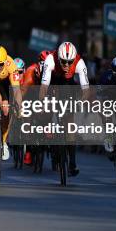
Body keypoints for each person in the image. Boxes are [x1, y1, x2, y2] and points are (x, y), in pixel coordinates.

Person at [39, 41, 90, 176]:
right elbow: (44, 87)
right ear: (58, 58)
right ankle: (48, 129)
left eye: (70, 62)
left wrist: (79, 103)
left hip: (69, 85)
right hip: (53, 82)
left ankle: (72, 163)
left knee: (70, 123)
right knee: (46, 107)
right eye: (63, 62)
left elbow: (86, 90)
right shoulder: (50, 60)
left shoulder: (79, 62)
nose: (67, 65)